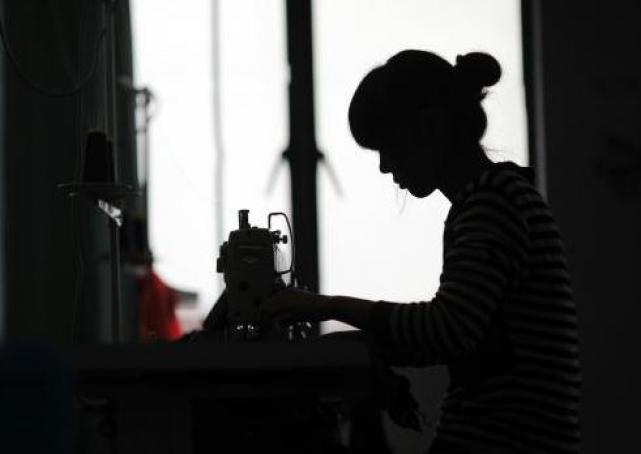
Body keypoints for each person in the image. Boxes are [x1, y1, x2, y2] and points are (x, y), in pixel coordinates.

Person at [261, 50, 581, 454]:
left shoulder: (493, 204)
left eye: (388, 147)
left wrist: (326, 306)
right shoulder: (495, 199)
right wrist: (365, 352)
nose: (384, 166)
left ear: (430, 128)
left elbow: (447, 330)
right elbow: (460, 335)